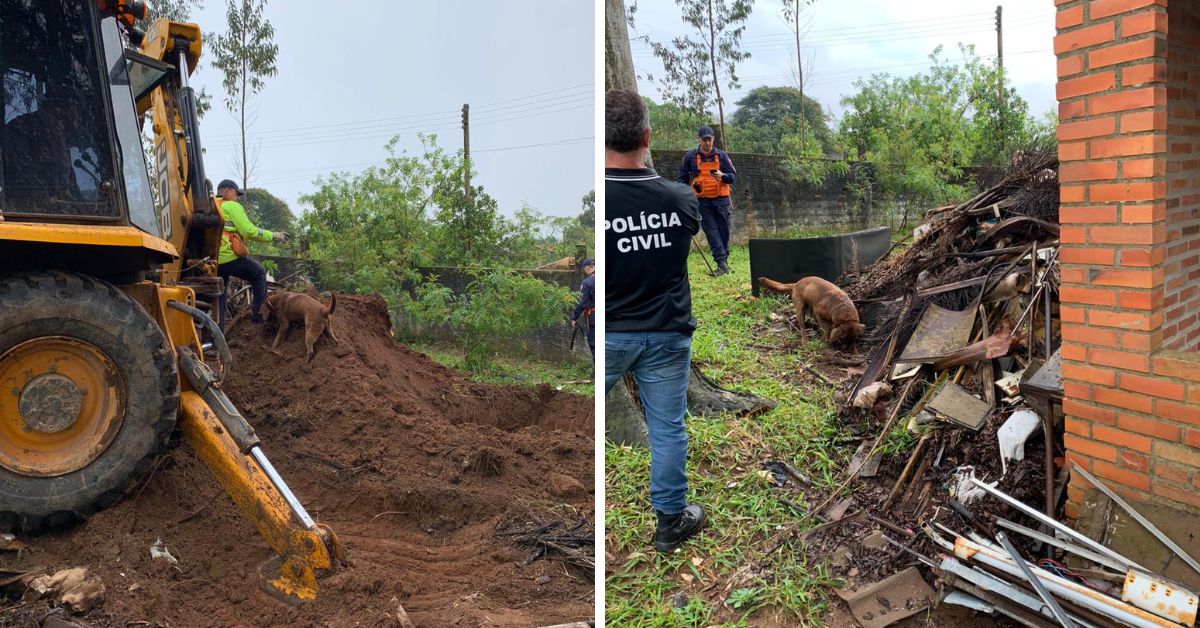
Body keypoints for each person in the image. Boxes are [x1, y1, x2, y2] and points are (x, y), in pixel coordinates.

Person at [605, 89, 706, 552]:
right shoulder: (680, 198)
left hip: (607, 336)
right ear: (647, 136)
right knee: (667, 429)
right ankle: (669, 523)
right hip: (667, 333)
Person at [214, 179, 287, 328]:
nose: (237, 197)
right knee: (259, 273)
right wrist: (273, 235)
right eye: (236, 193)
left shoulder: (211, 205)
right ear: (227, 191)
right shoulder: (231, 206)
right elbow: (248, 231)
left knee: (220, 297)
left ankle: (218, 335)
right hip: (229, 256)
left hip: (213, 260)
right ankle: (258, 316)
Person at [676, 126, 737, 276]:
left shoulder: (722, 156)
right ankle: (721, 262)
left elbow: (733, 176)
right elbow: (682, 178)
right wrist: (682, 194)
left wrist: (723, 175)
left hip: (721, 200)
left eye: (710, 139)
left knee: (724, 230)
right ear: (699, 139)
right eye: (705, 140)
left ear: (713, 139)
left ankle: (724, 262)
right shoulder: (690, 157)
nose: (708, 143)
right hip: (702, 201)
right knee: (711, 231)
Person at [571, 258, 596, 355]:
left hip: (594, 318)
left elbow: (582, 302)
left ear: (587, 268)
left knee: (595, 345)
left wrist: (575, 317)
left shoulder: (588, 282)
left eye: (585, 270)